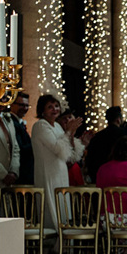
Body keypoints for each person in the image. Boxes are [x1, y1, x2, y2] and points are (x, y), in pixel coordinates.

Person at [32, 95, 90, 229]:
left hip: (60, 173)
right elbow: (58, 149)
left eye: (56, 106)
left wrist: (71, 133)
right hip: (48, 173)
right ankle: (52, 245)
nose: (54, 109)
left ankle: (63, 246)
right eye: (50, 107)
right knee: (52, 211)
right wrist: (69, 130)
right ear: (42, 111)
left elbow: (69, 155)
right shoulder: (40, 125)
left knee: (63, 208)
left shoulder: (57, 126)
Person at [84, 106, 124, 184]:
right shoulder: (123, 135)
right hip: (119, 176)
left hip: (100, 177)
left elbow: (90, 160)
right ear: (118, 119)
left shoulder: (97, 136)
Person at [11, 92, 34, 185]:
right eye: (21, 105)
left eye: (27, 105)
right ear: (12, 104)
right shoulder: (11, 123)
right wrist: (37, 143)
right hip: (20, 173)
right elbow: (20, 148)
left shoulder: (20, 123)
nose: (24, 108)